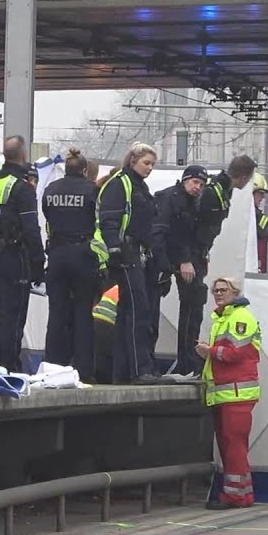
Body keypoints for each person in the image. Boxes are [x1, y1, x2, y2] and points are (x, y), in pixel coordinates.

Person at [95, 143, 161, 384]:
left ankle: (125, 371)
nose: (150, 168)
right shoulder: (120, 184)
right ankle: (139, 370)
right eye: (146, 163)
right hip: (125, 254)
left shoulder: (139, 186)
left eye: (152, 164)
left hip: (136, 253)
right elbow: (109, 219)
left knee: (129, 313)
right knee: (136, 311)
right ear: (133, 161)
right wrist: (115, 249)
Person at [0, 136, 45, 372]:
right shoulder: (22, 188)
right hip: (13, 257)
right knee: (13, 313)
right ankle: (10, 366)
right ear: (23, 155)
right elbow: (31, 229)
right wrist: (38, 262)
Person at [196, 276, 261, 510]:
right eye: (216, 290)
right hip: (227, 394)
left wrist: (209, 351)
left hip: (236, 394)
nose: (219, 294)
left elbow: (234, 354)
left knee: (234, 447)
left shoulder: (240, 317)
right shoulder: (224, 318)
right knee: (233, 446)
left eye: (224, 290)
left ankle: (234, 496)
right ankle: (243, 495)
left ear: (235, 292)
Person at [41, 147, 101, 380]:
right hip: (82, 254)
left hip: (57, 255)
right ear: (85, 170)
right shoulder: (91, 190)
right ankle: (83, 370)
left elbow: (48, 216)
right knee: (83, 312)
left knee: (56, 312)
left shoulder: (51, 189)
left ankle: (52, 365)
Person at [151, 165, 209, 376]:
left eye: (201, 184)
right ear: (185, 180)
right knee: (152, 314)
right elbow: (165, 232)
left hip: (187, 259)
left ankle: (188, 362)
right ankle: (152, 364)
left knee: (193, 306)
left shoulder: (194, 202)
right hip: (165, 260)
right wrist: (180, 261)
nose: (198, 187)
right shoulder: (169, 198)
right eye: (195, 182)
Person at [194, 155, 258, 257]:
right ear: (243, 178)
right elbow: (197, 226)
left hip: (199, 251)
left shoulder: (224, 190)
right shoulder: (212, 192)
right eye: (249, 179)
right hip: (193, 252)